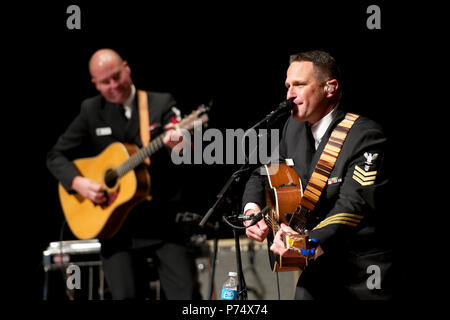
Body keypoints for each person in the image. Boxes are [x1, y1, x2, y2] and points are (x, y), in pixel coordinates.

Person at [47, 48, 200, 300]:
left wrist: (181, 142)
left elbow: (186, 146)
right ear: (95, 83)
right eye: (105, 82)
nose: (113, 85)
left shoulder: (159, 103)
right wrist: (78, 183)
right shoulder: (91, 110)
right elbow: (55, 156)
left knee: (187, 297)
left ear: (127, 68)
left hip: (164, 222)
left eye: (117, 76)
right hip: (116, 228)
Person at [242, 50, 392, 299]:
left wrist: (303, 242)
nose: (290, 94)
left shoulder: (365, 136)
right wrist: (251, 210)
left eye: (299, 85)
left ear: (330, 88)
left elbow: (353, 206)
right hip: (320, 266)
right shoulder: (293, 129)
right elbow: (264, 172)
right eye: (288, 85)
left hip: (363, 272)